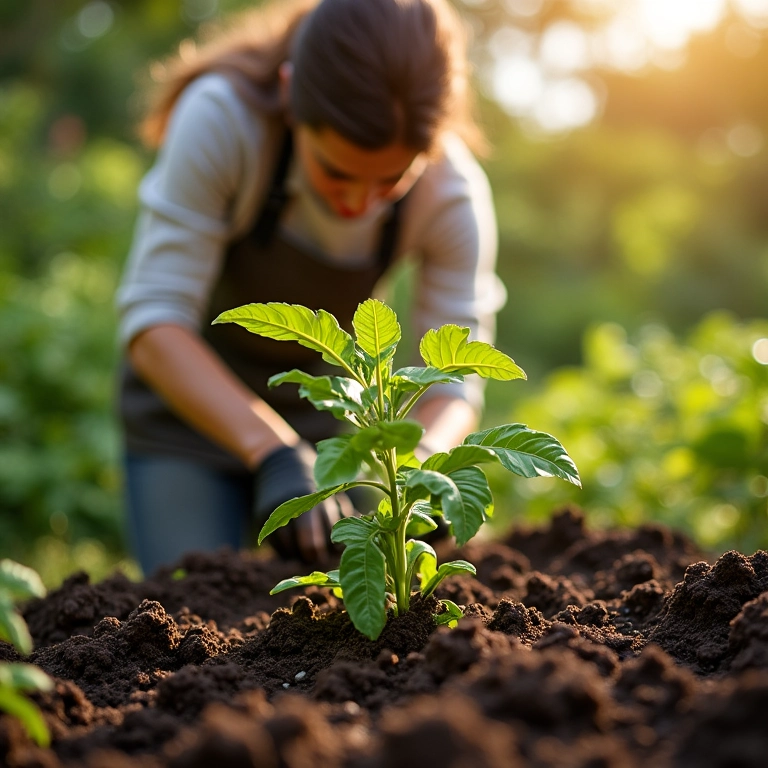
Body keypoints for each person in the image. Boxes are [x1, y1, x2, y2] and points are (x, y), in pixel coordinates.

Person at [116, 0, 506, 575]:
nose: (358, 203)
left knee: (353, 615)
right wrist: (271, 451)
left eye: (391, 180)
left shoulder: (451, 193)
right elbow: (154, 324)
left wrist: (425, 463)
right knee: (189, 601)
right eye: (337, 172)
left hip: (322, 423)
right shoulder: (224, 121)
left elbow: (455, 376)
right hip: (187, 413)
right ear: (289, 94)